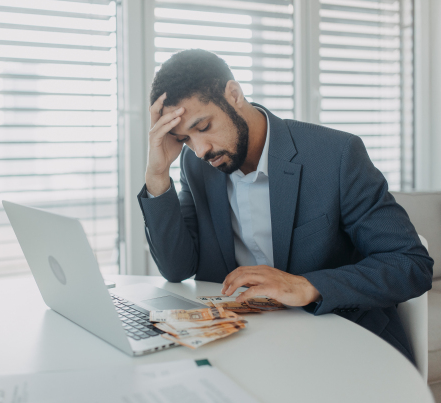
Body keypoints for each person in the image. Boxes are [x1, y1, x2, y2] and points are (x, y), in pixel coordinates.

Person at [137, 49, 433, 363]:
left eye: (204, 126)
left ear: (234, 94)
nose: (199, 150)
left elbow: (409, 263)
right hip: (244, 344)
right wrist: (157, 175)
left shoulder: (336, 155)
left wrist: (308, 286)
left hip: (338, 339)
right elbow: (177, 268)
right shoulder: (196, 166)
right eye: (185, 139)